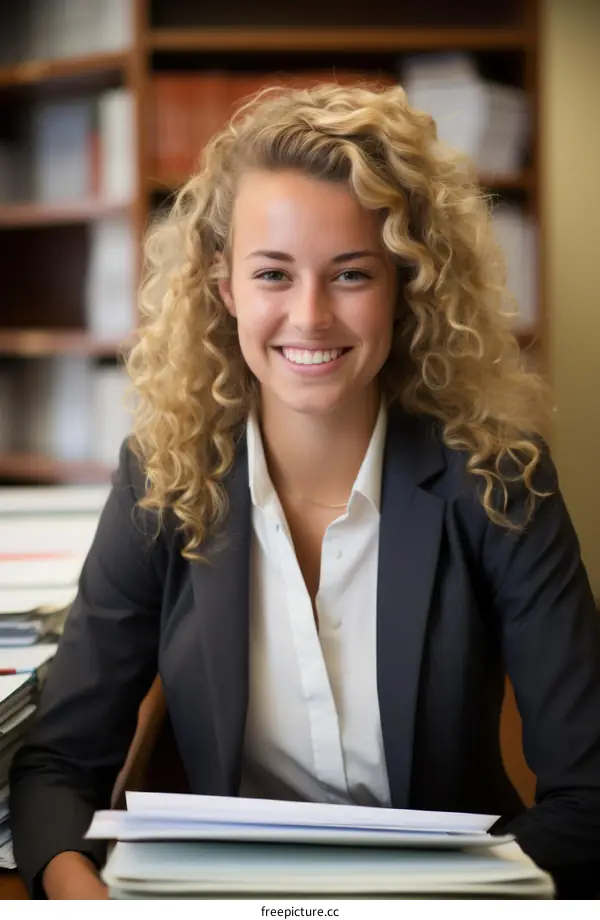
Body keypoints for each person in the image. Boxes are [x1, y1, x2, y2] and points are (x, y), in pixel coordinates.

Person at [9, 83, 600, 899]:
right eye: (273, 274)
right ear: (225, 289)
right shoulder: (163, 476)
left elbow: (588, 797)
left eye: (351, 274)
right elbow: (57, 768)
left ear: (405, 286)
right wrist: (86, 899)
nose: (310, 317)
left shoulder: (501, 480)